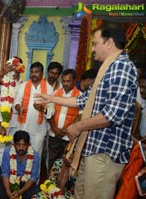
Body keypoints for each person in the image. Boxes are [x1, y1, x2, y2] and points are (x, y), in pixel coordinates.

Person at [34, 23, 138, 199]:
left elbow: (112, 115)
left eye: (95, 43)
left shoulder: (122, 67)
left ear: (109, 43)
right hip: (92, 150)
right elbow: (82, 100)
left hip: (105, 153)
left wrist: (78, 126)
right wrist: (50, 98)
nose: (92, 48)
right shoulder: (106, 69)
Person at [14, 62, 50, 159]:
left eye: (37, 72)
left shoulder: (48, 88)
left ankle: (34, 174)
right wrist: (19, 107)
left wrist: (43, 109)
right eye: (32, 72)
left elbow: (52, 110)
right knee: (22, 154)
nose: (34, 74)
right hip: (24, 127)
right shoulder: (23, 85)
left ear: (42, 73)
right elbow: (16, 102)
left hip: (39, 129)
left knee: (36, 155)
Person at [47, 69, 82, 171]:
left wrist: (67, 130)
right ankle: (49, 185)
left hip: (69, 137)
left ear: (74, 81)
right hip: (54, 135)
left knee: (65, 163)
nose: (65, 84)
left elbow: (80, 116)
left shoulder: (80, 96)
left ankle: (61, 186)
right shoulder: (56, 93)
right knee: (51, 161)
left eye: (68, 81)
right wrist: (55, 129)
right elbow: (49, 113)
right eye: (64, 81)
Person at [0, 130, 40, 199]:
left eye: (24, 145)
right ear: (14, 144)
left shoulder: (35, 155)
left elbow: (33, 177)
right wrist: (8, 192)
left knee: (36, 193)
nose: (21, 148)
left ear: (28, 145)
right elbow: (5, 173)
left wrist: (20, 192)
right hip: (10, 181)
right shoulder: (8, 151)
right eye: (18, 144)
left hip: (25, 184)